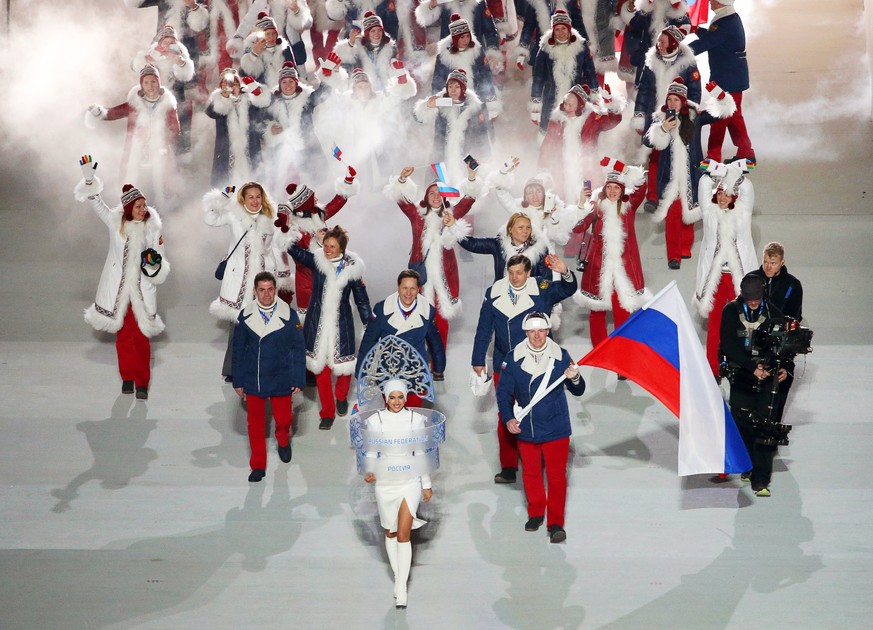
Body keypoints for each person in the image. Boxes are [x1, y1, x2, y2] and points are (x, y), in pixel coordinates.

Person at [472, 253, 577, 484]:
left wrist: (566, 271)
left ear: (529, 273)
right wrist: (478, 359)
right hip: (504, 362)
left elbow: (567, 290)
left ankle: (536, 457)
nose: (514, 277)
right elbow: (484, 327)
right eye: (511, 272)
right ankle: (508, 466)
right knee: (505, 414)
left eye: (519, 273)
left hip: (538, 364)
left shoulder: (542, 287)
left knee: (538, 409)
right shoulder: (494, 292)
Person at [74, 158, 170, 400]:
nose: (143, 209)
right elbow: (96, 204)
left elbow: (160, 258)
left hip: (142, 291)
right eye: (138, 205)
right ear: (128, 208)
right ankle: (127, 377)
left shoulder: (153, 228)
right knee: (123, 337)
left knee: (141, 338)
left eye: (144, 204)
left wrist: (154, 264)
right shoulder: (115, 222)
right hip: (118, 292)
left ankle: (142, 383)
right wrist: (89, 181)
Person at [495, 312, 585, 542]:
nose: (537, 335)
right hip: (527, 427)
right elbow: (504, 392)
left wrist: (574, 377)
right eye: (532, 331)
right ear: (526, 332)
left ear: (548, 330)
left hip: (556, 426)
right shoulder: (513, 358)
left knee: (557, 477)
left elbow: (579, 390)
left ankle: (556, 523)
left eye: (541, 330)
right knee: (531, 473)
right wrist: (507, 418)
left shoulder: (561, 356)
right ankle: (536, 512)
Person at [384, 163, 482, 347]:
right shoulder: (416, 214)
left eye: (439, 194)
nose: (436, 197)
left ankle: (438, 363)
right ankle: (420, 359)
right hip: (419, 274)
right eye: (432, 193)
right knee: (416, 316)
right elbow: (400, 199)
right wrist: (402, 179)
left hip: (443, 274)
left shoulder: (451, 213)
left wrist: (471, 178)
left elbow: (469, 200)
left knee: (441, 318)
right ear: (426, 197)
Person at [644, 78, 736, 268]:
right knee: (672, 214)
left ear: (683, 101)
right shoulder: (659, 118)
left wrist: (720, 96)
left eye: (676, 100)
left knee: (691, 209)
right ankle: (673, 256)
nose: (672, 104)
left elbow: (722, 113)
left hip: (691, 174)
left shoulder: (696, 117)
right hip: (668, 178)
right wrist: (662, 129)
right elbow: (647, 141)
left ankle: (685, 246)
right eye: (669, 99)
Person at [288, 225, 372, 429]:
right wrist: (287, 233)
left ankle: (341, 397)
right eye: (325, 245)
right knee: (321, 370)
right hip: (317, 325)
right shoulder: (317, 262)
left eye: (332, 246)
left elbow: (361, 299)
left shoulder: (352, 270)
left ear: (341, 248)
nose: (327, 250)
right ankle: (326, 412)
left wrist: (369, 321)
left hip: (341, 324)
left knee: (343, 367)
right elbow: (296, 252)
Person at [362, 379, 434, 608]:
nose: (396, 402)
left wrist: (426, 483)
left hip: (409, 480)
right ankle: (398, 577)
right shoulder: (376, 421)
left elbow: (421, 452)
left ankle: (401, 587)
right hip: (385, 482)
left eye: (400, 397)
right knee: (391, 533)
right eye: (392, 397)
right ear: (386, 398)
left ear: (405, 397)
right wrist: (370, 471)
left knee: (404, 534)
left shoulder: (416, 419)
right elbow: (371, 451)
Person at [719, 274, 790, 497]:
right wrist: (752, 367)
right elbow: (729, 345)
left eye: (757, 299)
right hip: (741, 372)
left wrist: (784, 367)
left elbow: (785, 344)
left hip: (766, 374)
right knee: (741, 422)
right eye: (749, 299)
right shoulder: (730, 311)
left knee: (764, 425)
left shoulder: (771, 313)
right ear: (742, 295)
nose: (753, 302)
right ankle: (747, 465)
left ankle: (761, 480)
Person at [232, 271, 306, 482]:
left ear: (275, 290)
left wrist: (298, 378)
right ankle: (257, 465)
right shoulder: (245, 316)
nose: (266, 294)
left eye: (270, 289)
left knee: (283, 419)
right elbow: (237, 350)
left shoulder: (289, 315)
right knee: (254, 424)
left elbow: (298, 349)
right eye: (262, 290)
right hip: (253, 378)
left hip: (281, 376)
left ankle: (283, 439)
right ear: (255, 291)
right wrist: (238, 380)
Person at [685, 160, 757, 376]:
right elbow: (703, 183)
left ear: (734, 194)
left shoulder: (744, 212)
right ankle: (712, 369)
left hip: (739, 280)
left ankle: (739, 366)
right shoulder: (709, 212)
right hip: (715, 279)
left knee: (742, 326)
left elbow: (747, 187)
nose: (723, 197)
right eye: (720, 193)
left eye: (727, 193)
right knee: (715, 326)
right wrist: (719, 172)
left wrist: (731, 175)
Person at [203, 181, 276, 381]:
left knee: (262, 326)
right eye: (250, 197)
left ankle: (258, 368)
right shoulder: (234, 216)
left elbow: (270, 250)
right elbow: (210, 218)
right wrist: (221, 197)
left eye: (258, 196)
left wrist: (274, 276)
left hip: (260, 281)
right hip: (237, 280)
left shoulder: (269, 220)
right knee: (237, 328)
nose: (255, 201)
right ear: (243, 199)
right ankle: (233, 370)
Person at [573, 162, 651, 348]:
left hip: (623, 269)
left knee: (622, 309)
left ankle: (622, 352)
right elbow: (577, 227)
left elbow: (641, 184)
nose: (613, 191)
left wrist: (622, 168)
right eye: (609, 187)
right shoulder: (595, 206)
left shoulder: (629, 205)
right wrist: (581, 204)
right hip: (598, 267)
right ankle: (599, 351)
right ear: (604, 188)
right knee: (597, 311)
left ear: (622, 189)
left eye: (617, 187)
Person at [86, 65, 180, 209]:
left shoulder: (167, 104)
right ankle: (132, 209)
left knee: (160, 182)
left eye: (153, 81)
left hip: (159, 151)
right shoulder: (134, 102)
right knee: (135, 180)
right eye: (146, 82)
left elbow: (175, 131)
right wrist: (99, 112)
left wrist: (160, 139)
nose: (150, 86)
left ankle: (162, 210)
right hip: (137, 151)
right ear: (141, 84)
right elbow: (113, 113)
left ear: (159, 82)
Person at [632, 23, 700, 212]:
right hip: (654, 116)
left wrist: (688, 115)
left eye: (662, 42)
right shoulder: (651, 61)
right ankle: (652, 197)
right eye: (658, 41)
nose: (658, 45)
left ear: (673, 43)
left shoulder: (688, 64)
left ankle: (679, 192)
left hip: (680, 118)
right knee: (654, 156)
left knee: (675, 156)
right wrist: (638, 115)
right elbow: (643, 91)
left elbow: (695, 93)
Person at [356, 270, 447, 392]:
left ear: (418, 289)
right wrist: (361, 372)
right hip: (389, 373)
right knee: (392, 410)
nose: (408, 293)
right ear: (398, 288)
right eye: (405, 288)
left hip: (417, 374)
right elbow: (369, 341)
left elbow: (435, 342)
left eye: (413, 288)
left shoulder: (427, 311)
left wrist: (439, 369)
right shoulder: (382, 309)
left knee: (414, 410)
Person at [689, 0, 755, 163]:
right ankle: (746, 152)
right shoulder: (727, 18)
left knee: (719, 117)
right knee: (734, 117)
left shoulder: (726, 22)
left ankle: (713, 157)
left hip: (728, 79)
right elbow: (714, 37)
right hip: (731, 77)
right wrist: (696, 30)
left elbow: (709, 42)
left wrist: (681, 52)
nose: (710, 2)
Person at [538, 83, 625, 203]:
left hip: (587, 169)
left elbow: (612, 121)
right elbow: (547, 146)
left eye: (570, 105)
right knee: (561, 202)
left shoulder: (592, 119)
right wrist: (543, 168)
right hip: (562, 169)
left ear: (580, 106)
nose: (566, 107)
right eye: (565, 103)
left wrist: (609, 102)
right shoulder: (557, 121)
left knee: (588, 202)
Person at [412, 69, 492, 185]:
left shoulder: (475, 106)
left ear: (463, 88)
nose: (453, 90)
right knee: (439, 191)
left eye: (457, 87)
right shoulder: (440, 100)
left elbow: (482, 131)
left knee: (468, 190)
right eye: (450, 86)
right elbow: (418, 118)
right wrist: (428, 106)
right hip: (441, 153)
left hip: (467, 154)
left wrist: (484, 153)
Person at [529, 9, 599, 136]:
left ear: (569, 29)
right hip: (551, 97)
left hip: (575, 97)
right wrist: (536, 101)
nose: (560, 32)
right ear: (553, 30)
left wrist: (594, 91)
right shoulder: (545, 48)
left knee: (574, 132)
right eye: (557, 29)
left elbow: (590, 71)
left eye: (563, 28)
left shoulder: (580, 46)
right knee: (551, 132)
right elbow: (538, 77)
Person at [132, 23, 197, 157]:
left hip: (177, 99)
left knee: (178, 128)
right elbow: (136, 67)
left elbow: (187, 76)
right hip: (153, 98)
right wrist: (147, 59)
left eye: (171, 42)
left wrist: (179, 61)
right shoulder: (153, 53)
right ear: (159, 43)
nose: (167, 45)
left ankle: (179, 156)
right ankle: (148, 155)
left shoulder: (180, 54)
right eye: (165, 42)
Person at [205, 68, 271, 186]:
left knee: (252, 185)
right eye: (225, 84)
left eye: (233, 83)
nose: (230, 86)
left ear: (239, 85)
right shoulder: (219, 100)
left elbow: (264, 106)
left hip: (249, 150)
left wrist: (256, 90)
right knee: (228, 187)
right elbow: (211, 112)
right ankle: (229, 202)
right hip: (228, 154)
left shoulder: (249, 100)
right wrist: (225, 97)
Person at [447, 211, 551, 283]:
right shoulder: (499, 244)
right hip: (501, 297)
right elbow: (472, 244)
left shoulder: (539, 249)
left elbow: (546, 278)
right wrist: (453, 226)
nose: (525, 231)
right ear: (510, 229)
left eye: (528, 227)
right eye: (520, 227)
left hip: (529, 301)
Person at [430, 13, 499, 117]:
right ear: (455, 38)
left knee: (480, 130)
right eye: (462, 37)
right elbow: (438, 80)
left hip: (475, 98)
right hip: (451, 102)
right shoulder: (443, 56)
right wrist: (440, 100)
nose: (466, 40)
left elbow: (485, 75)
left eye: (467, 36)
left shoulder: (477, 51)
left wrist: (489, 97)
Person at [239, 11, 300, 87]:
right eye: (267, 34)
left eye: (273, 33)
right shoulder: (250, 48)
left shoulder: (284, 48)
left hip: (283, 91)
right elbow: (242, 74)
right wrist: (254, 54)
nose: (271, 37)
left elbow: (294, 72)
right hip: (262, 92)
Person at [749, 242, 803, 322]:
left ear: (782, 263)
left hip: (781, 330)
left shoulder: (793, 284)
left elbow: (794, 315)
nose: (768, 267)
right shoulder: (751, 279)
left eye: (773, 263)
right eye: (765, 262)